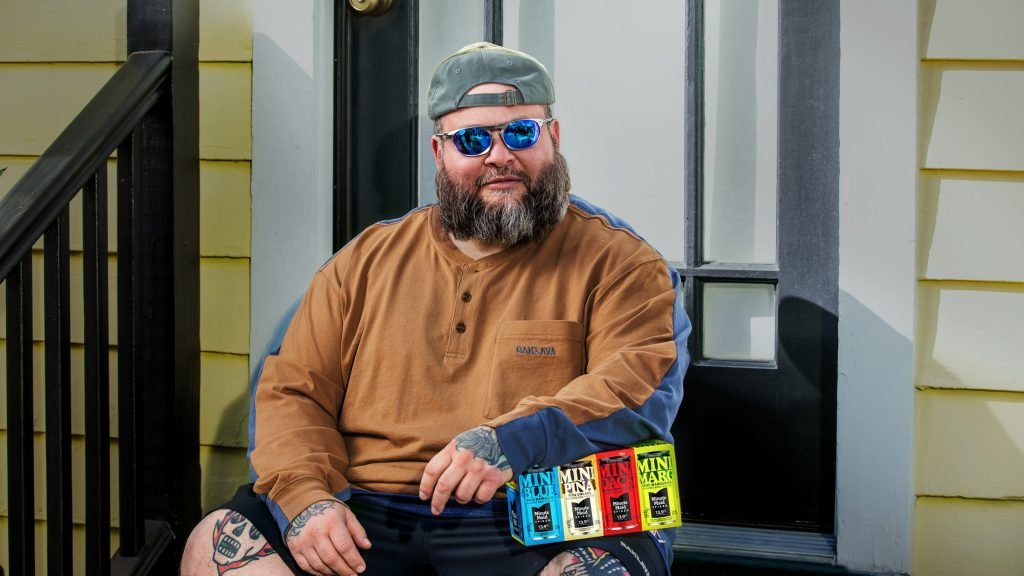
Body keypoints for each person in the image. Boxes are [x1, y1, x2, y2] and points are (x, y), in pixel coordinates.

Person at [181, 41, 690, 576]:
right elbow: (292, 391)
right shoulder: (364, 260)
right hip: (366, 505)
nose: (499, 156)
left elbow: (635, 396)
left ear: (554, 138)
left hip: (538, 499)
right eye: (472, 140)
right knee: (216, 543)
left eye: (521, 132)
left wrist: (511, 442)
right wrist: (307, 497)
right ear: (439, 153)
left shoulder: (624, 264)